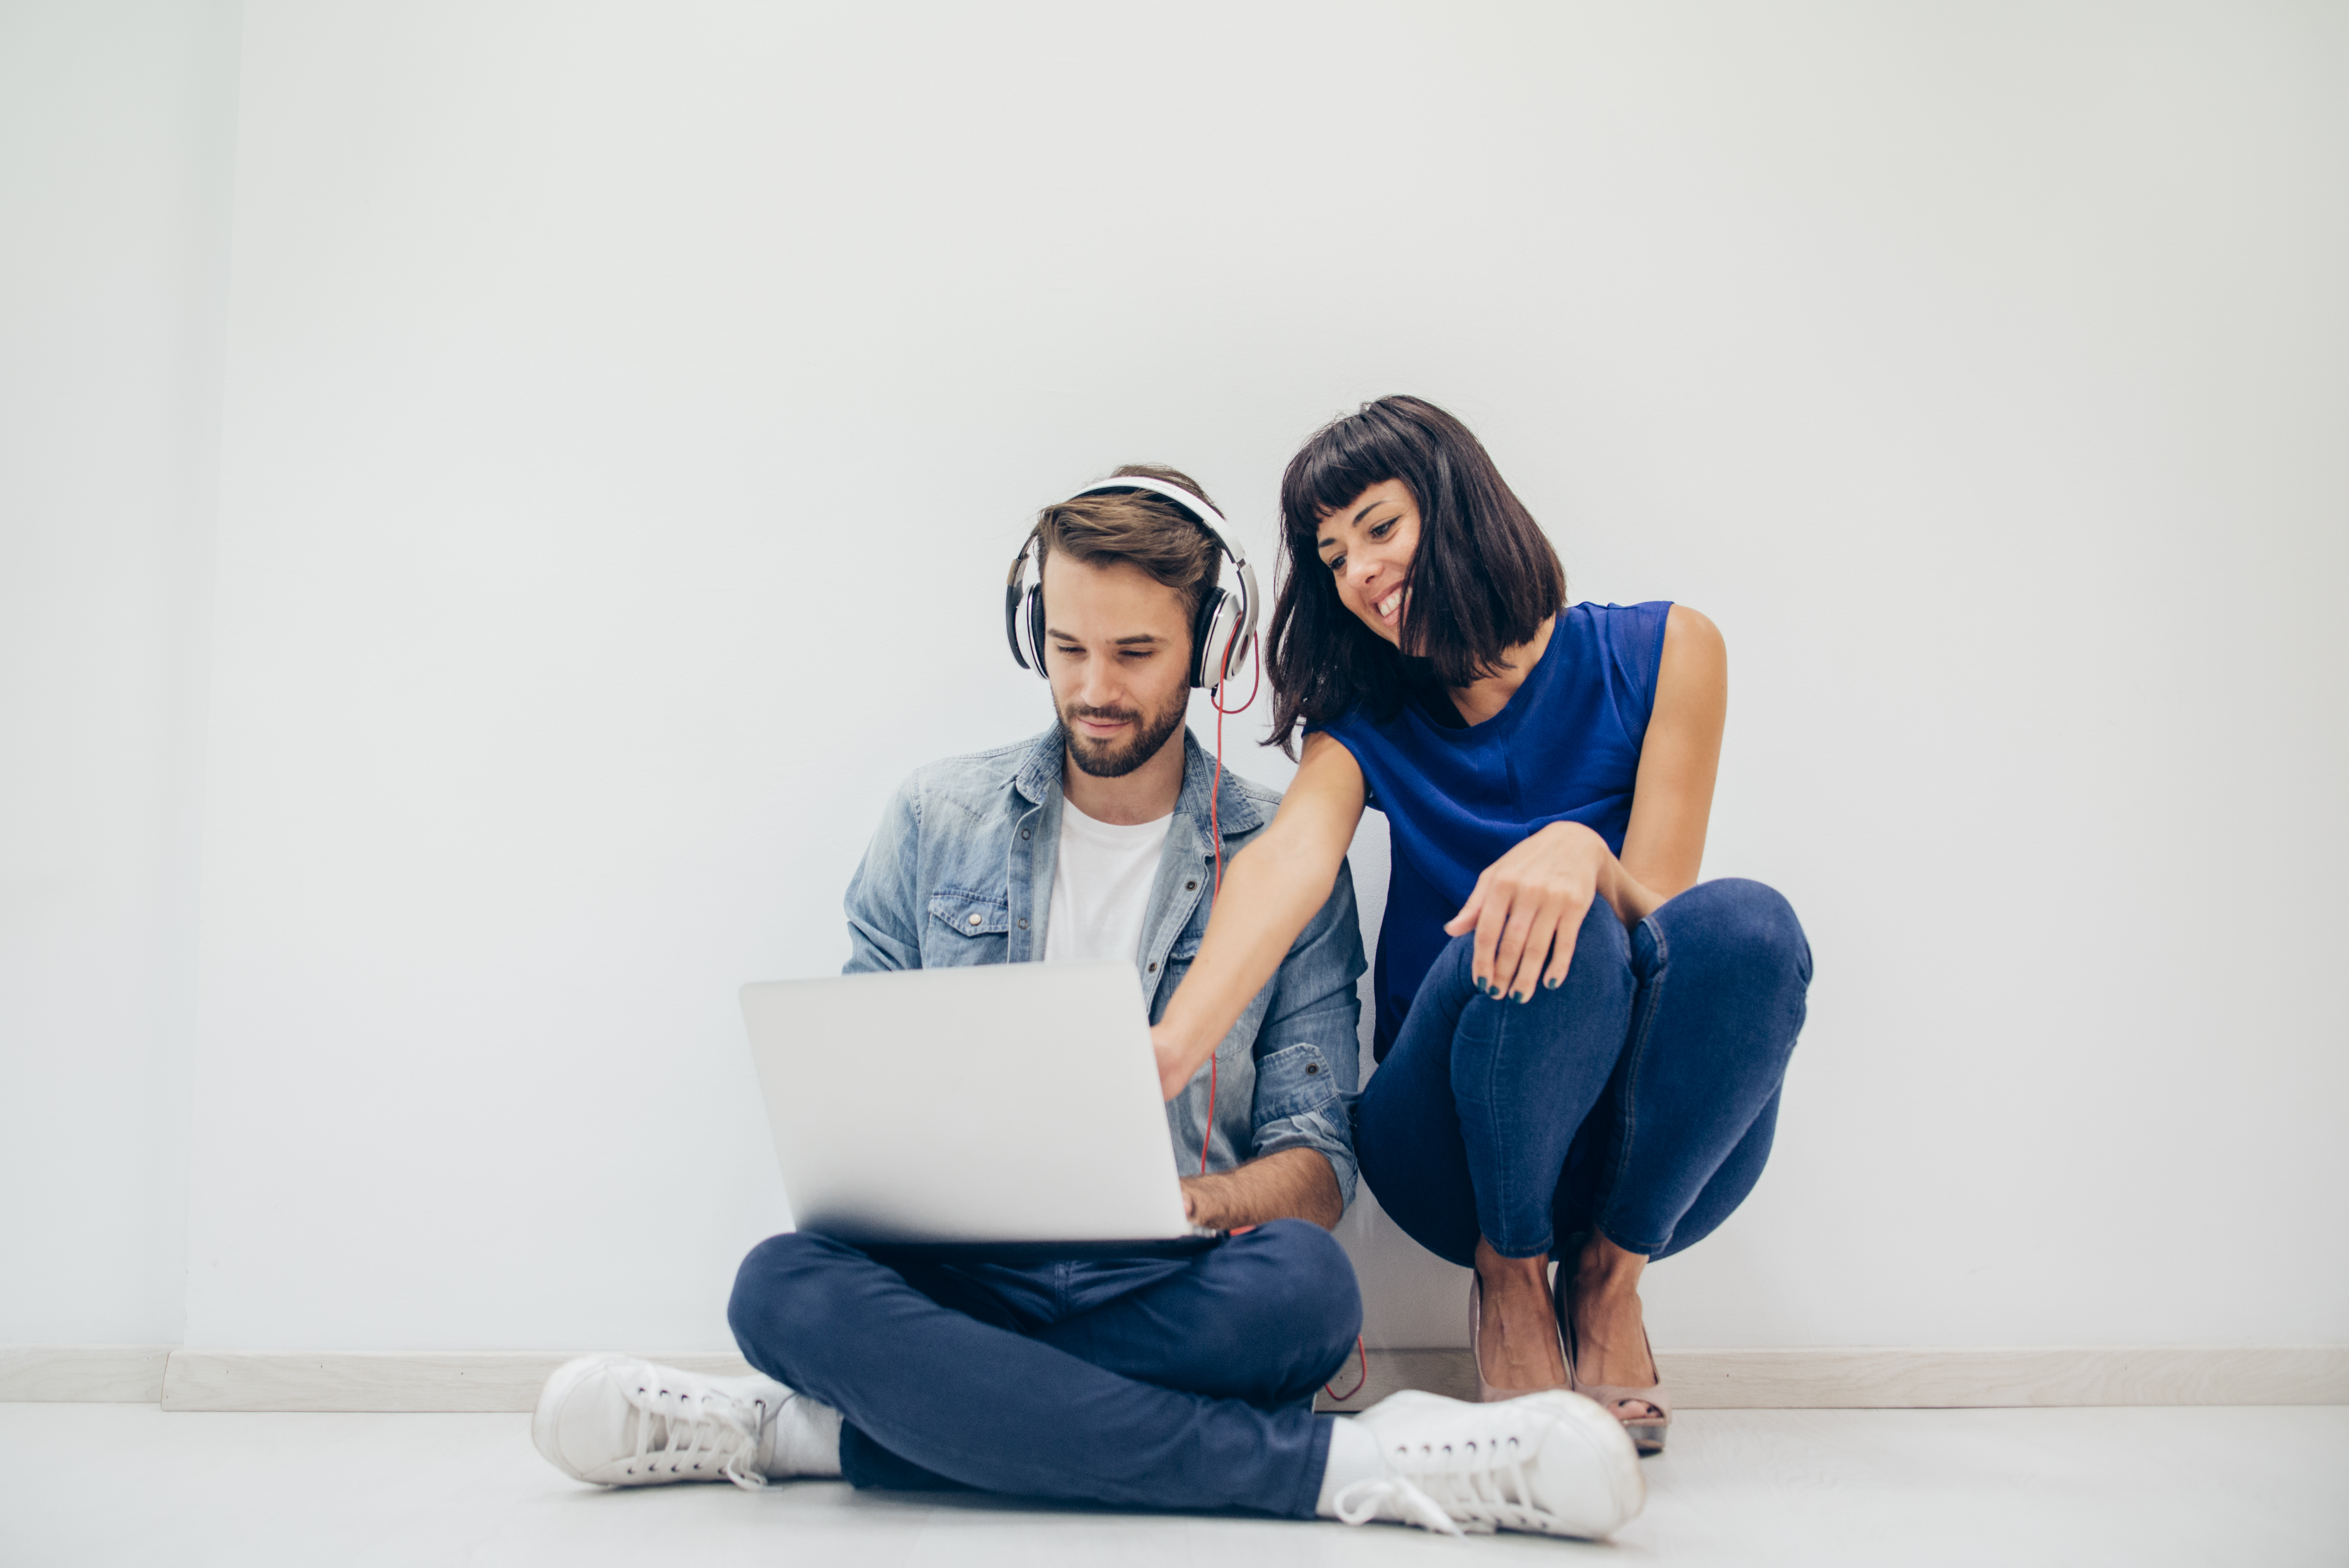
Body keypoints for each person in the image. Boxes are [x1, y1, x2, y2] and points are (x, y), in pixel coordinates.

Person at [528, 465, 1647, 1539]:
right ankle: (1332, 1469)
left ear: (1207, 650)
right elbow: (852, 1102)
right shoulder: (935, 819)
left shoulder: (1280, 861)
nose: (1095, 690)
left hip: (1176, 1276)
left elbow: (1315, 1169)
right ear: (1033, 634)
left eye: (1134, 653)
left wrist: (1192, 1203)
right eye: (1066, 649)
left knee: (1307, 1296)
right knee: (779, 1288)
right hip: (965, 1279)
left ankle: (813, 1433)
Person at [1147, 400, 1813, 1455]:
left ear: (1454, 507)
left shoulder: (1668, 650)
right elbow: (1289, 859)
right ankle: (1508, 1278)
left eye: (1377, 527)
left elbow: (1669, 927)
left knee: (1749, 926)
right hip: (1448, 1142)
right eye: (1330, 558)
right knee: (1549, 932)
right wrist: (1171, 1051)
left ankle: (1606, 1278)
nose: (1357, 573)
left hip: (1640, 1145)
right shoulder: (1365, 726)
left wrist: (1585, 858)